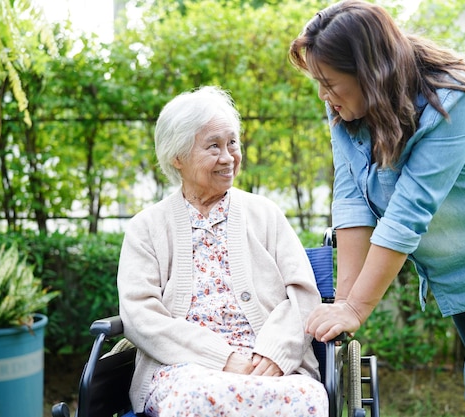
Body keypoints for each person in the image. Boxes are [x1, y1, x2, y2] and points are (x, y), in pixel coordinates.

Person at [289, 1, 465, 416]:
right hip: (461, 258)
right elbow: (350, 200)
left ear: (369, 72)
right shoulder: (347, 108)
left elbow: (406, 216)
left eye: (329, 82)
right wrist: (342, 299)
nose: (323, 96)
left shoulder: (452, 101)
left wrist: (356, 308)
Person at [117, 86, 328, 417]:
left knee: (305, 399)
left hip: (267, 364)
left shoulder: (265, 214)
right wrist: (222, 357)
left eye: (232, 143)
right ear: (177, 156)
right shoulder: (146, 228)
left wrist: (275, 353)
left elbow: (303, 296)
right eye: (213, 146)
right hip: (184, 369)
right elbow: (139, 315)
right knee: (192, 399)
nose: (229, 157)